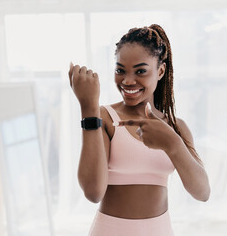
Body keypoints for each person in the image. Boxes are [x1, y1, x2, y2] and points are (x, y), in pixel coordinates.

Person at [68, 24, 210, 236]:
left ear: (160, 71)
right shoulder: (104, 118)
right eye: (120, 70)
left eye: (140, 71)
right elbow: (93, 192)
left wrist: (172, 143)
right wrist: (88, 107)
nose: (127, 81)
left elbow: (202, 192)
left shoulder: (176, 127)